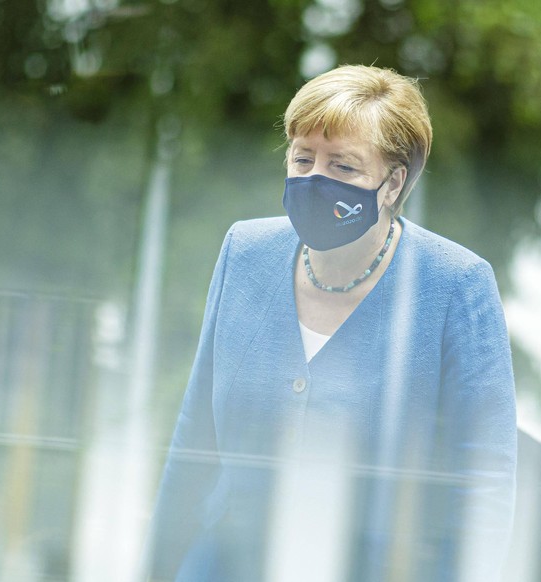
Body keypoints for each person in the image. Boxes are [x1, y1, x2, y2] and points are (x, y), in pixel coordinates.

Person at [143, 65, 517, 581]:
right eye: (302, 158)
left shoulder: (456, 285)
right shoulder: (244, 252)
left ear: (393, 183)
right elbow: (194, 442)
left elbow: (484, 484)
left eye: (343, 166)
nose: (315, 178)